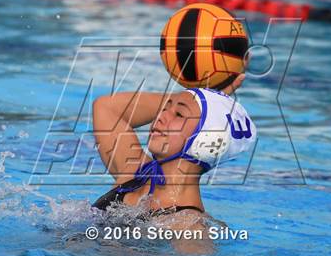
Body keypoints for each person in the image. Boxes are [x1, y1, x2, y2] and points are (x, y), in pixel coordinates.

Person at [91, 74, 256, 217]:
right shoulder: (134, 174)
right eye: (164, 108)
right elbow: (106, 106)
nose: (161, 116)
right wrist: (198, 96)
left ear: (207, 140)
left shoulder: (188, 228)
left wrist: (204, 101)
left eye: (178, 114)